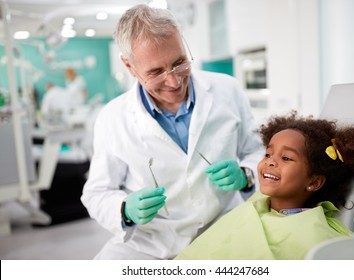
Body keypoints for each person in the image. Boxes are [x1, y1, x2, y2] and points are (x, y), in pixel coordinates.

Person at [80, 4, 263, 260]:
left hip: (223, 227)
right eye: (155, 72)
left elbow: (256, 151)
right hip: (152, 243)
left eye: (179, 63)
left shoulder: (228, 90)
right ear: (130, 67)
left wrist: (246, 175)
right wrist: (125, 210)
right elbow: (96, 193)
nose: (174, 81)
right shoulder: (113, 118)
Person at [175, 111, 354, 259]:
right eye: (268, 153)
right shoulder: (259, 202)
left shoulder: (312, 233)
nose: (270, 161)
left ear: (313, 182)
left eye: (286, 158)